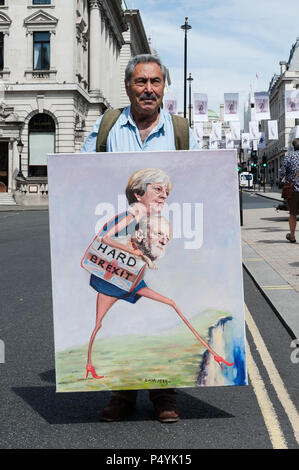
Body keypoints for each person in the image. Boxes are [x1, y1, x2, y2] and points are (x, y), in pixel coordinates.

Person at [81, 53, 198, 423]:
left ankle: (165, 392)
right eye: (141, 82)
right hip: (122, 255)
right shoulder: (106, 128)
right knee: (120, 323)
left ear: (164, 87)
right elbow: (84, 178)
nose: (148, 89)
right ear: (128, 85)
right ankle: (123, 394)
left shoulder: (182, 133)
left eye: (155, 82)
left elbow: (196, 187)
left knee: (163, 316)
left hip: (164, 246)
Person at [280, 138, 299, 243]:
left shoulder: (289, 157)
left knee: (293, 213)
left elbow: (282, 172)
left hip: (293, 189)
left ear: (293, 146)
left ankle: (292, 236)